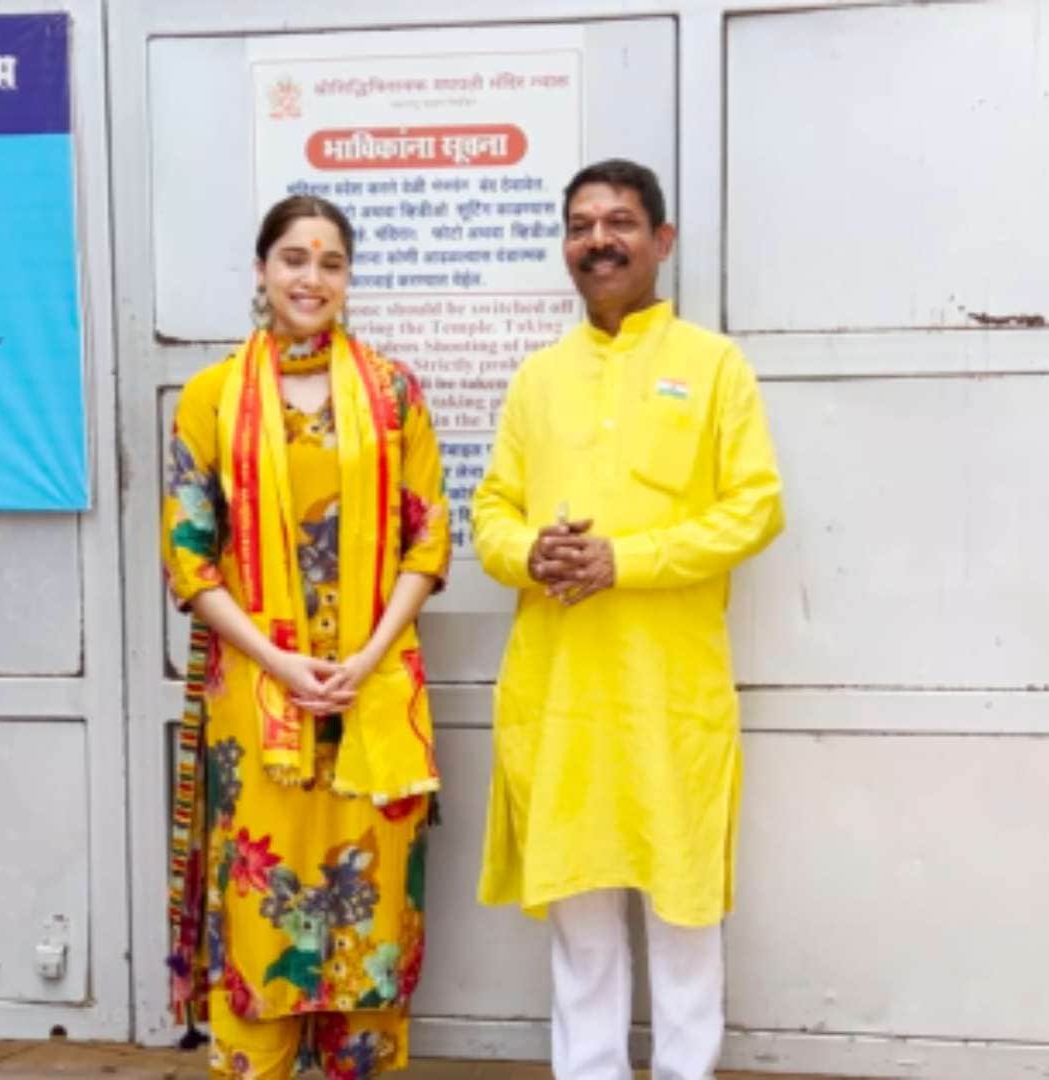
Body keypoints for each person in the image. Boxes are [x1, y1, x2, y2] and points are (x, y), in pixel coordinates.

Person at [472, 159, 785, 1080]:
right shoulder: (539, 379)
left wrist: (626, 560)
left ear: (662, 240)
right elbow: (490, 511)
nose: (598, 240)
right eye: (580, 225)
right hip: (562, 690)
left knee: (684, 910)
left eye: (620, 222)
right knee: (580, 918)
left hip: (670, 694)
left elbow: (755, 509)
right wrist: (529, 552)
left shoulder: (713, 366)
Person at [163, 194, 451, 1080]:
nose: (311, 278)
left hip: (375, 691)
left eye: (330, 263)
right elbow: (189, 559)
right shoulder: (212, 398)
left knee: (369, 918)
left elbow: (428, 540)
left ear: (348, 277)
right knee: (263, 923)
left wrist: (367, 655)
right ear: (262, 270)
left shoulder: (395, 393)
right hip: (261, 702)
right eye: (294, 258)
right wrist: (279, 661)